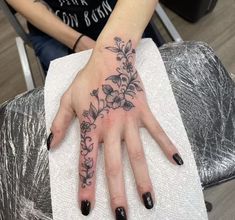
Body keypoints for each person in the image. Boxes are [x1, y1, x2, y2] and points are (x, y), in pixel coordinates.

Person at [7, 0, 184, 219]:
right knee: (68, 151)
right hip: (55, 27)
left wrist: (110, 55)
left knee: (155, 125)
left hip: (124, 11)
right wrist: (79, 42)